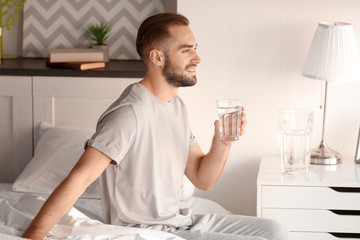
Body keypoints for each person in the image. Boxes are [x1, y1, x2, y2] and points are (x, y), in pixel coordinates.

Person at [22, 12, 288, 240]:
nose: (197, 58)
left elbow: (201, 178)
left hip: (180, 222)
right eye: (186, 50)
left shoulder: (176, 106)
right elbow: (81, 178)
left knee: (274, 231)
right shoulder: (129, 112)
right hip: (146, 231)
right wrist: (32, 236)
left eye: (195, 47)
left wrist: (223, 143)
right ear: (157, 57)